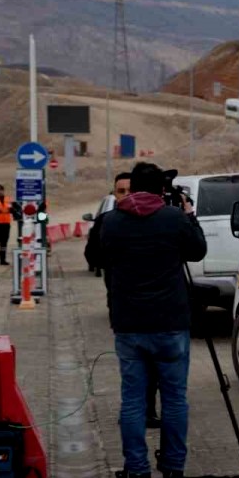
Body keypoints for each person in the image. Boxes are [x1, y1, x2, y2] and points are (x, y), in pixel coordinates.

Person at [98, 162, 206, 478]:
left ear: (131, 188)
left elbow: (102, 259)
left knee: (132, 402)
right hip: (170, 322)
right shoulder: (173, 219)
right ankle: (174, 472)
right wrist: (189, 215)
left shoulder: (112, 221)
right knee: (175, 400)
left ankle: (139, 476)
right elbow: (197, 251)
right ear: (161, 189)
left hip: (130, 325)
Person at [86, 172, 161, 428]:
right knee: (132, 364)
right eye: (121, 191)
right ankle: (133, 410)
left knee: (154, 362)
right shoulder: (107, 222)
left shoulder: (158, 219)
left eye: (130, 189)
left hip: (156, 303)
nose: (126, 195)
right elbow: (92, 257)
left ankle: (148, 409)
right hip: (123, 304)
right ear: (113, 195)